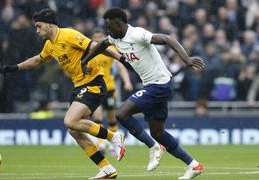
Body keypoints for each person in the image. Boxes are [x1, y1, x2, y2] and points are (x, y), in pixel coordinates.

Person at [0, 8, 125, 179]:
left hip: (93, 82)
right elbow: (37, 60)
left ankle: (113, 136)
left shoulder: (68, 35)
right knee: (73, 129)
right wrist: (14, 68)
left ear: (50, 25)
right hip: (79, 86)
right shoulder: (50, 45)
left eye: (39, 26)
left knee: (70, 120)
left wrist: (120, 58)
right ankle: (106, 168)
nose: (37, 30)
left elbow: (97, 46)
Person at [81, 7, 205, 180]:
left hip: (159, 85)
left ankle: (154, 147)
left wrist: (187, 59)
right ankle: (194, 165)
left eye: (109, 27)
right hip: (154, 86)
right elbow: (102, 45)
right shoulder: (115, 38)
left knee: (121, 113)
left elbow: (167, 39)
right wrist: (85, 60)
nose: (107, 31)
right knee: (158, 132)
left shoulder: (137, 34)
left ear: (118, 24)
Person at [91, 28, 133, 155]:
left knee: (111, 118)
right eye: (95, 37)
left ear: (104, 38)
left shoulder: (111, 50)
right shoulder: (90, 50)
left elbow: (120, 67)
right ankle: (101, 144)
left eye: (100, 37)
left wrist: (127, 81)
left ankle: (114, 144)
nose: (97, 39)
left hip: (109, 88)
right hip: (95, 89)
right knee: (97, 117)